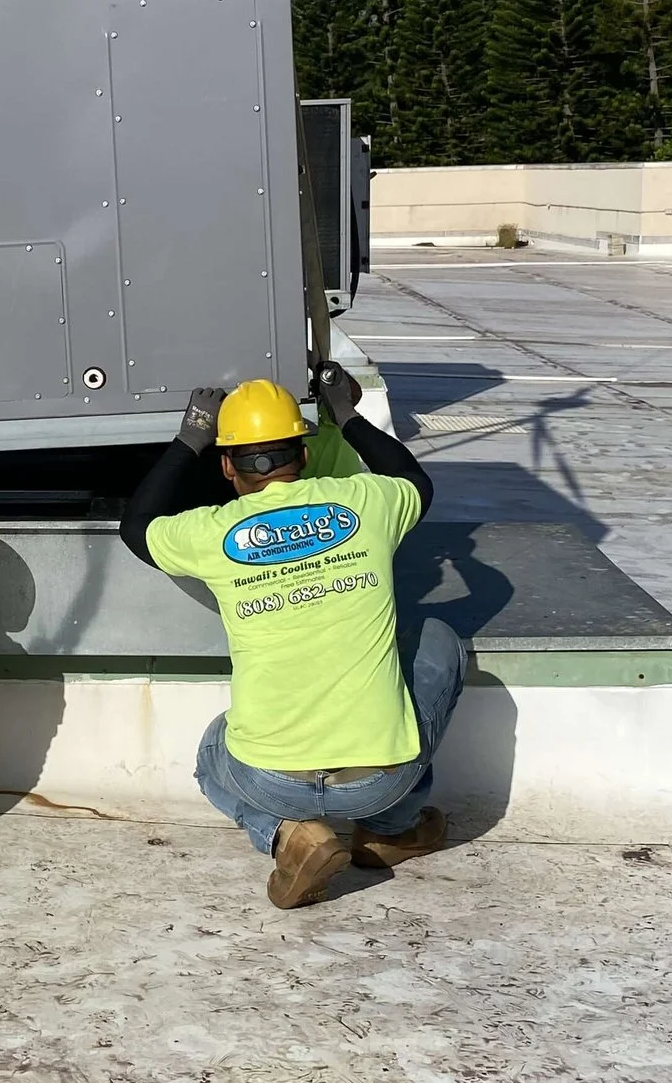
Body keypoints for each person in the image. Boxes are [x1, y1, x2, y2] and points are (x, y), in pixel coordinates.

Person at [120, 367, 464, 909]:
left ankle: (288, 834)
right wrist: (348, 417)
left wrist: (190, 438)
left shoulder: (211, 532)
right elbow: (413, 479)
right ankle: (391, 828)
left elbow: (137, 524)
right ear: (301, 457)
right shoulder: (363, 502)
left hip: (269, 780)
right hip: (377, 781)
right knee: (439, 639)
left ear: (228, 465)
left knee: (215, 749)